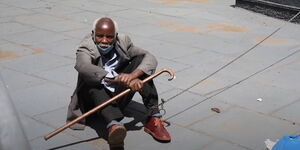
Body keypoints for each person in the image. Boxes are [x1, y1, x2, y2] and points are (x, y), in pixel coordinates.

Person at [66, 17, 171, 148]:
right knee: (93, 80)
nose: (104, 41)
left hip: (117, 97)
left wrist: (133, 76)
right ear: (93, 34)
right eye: (99, 36)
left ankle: (153, 118)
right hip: (94, 104)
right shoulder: (85, 47)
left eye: (109, 37)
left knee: (141, 65)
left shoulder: (123, 41)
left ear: (115, 36)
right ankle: (114, 126)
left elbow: (149, 57)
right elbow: (83, 66)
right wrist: (118, 78)